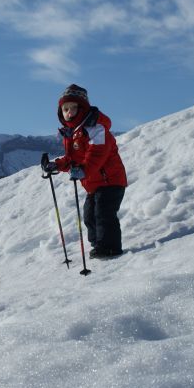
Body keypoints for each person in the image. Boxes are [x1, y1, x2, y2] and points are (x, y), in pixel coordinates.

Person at [42, 84, 128, 258]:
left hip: (110, 181)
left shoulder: (96, 128)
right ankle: (99, 245)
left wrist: (83, 169)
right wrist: (56, 165)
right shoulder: (73, 133)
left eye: (72, 108)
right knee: (89, 216)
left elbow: (97, 153)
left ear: (82, 108)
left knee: (103, 213)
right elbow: (72, 159)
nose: (68, 112)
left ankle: (110, 247)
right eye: (65, 109)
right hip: (93, 183)